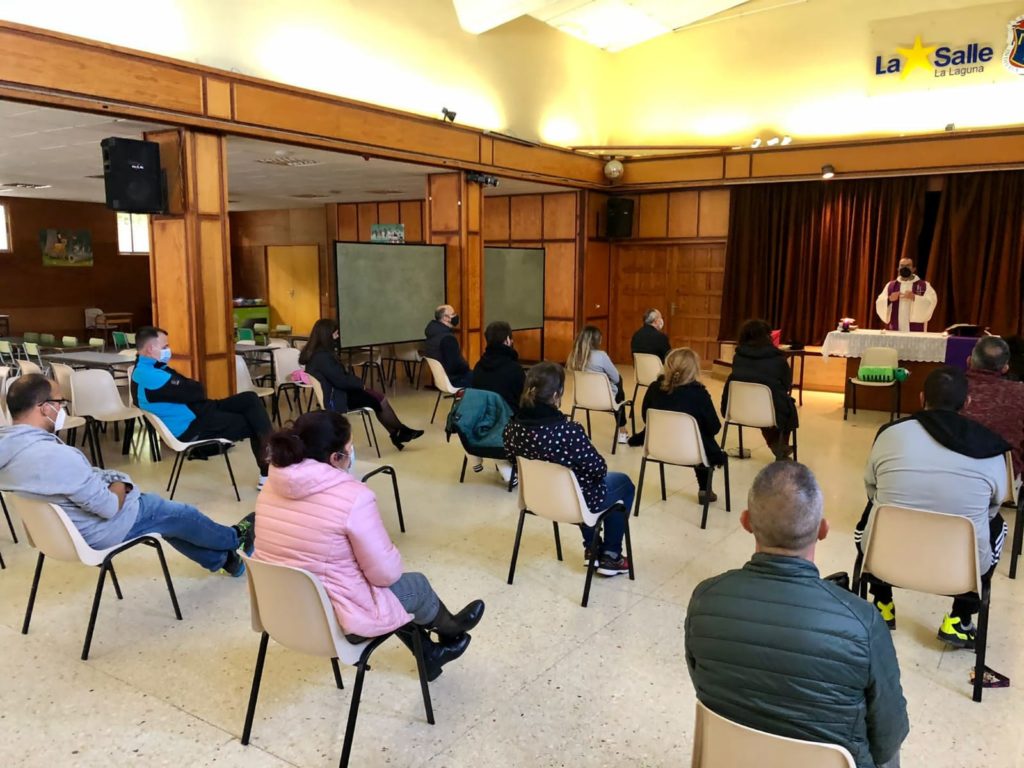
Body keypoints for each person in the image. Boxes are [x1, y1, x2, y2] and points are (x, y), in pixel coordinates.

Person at [686, 461, 908, 768]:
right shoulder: (863, 622)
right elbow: (888, 737)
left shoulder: (705, 599)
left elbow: (704, 687)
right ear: (823, 530)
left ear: (746, 522)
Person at [254, 410, 484, 681]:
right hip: (336, 624)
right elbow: (387, 575)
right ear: (336, 458)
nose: (352, 454)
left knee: (379, 594)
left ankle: (430, 655)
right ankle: (451, 629)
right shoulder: (353, 497)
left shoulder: (272, 485)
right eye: (350, 448)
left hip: (281, 612)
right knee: (414, 587)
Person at [0, 374, 254, 576]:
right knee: (176, 513)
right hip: (97, 531)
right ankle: (235, 538)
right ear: (45, 408)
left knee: (167, 520)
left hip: (55, 535)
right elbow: (109, 507)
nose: (62, 408)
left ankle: (225, 560)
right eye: (60, 403)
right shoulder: (55, 456)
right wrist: (120, 483)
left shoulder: (9, 450)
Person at [859, 366, 1008, 648]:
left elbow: (871, 486)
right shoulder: (990, 448)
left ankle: (881, 603)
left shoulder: (890, 434)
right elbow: (994, 505)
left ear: (921, 397)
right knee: (997, 526)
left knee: (873, 512)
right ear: (967, 403)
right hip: (959, 569)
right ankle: (960, 619)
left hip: (884, 558)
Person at [503, 362, 633, 575]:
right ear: (557, 394)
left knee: (579, 482)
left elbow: (512, 460)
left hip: (535, 499)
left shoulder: (512, 427)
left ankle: (592, 549)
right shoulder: (568, 431)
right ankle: (611, 555)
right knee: (623, 484)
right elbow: (599, 469)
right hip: (573, 502)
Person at [132, 326, 273, 488]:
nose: (168, 350)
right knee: (255, 422)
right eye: (165, 346)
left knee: (250, 398)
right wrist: (189, 387)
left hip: (200, 411)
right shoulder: (150, 376)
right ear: (151, 349)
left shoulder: (149, 368)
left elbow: (193, 390)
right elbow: (197, 391)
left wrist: (189, 387)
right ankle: (269, 474)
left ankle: (272, 468)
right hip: (193, 426)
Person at [300, 318, 422, 451]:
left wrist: (357, 383)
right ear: (327, 335)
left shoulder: (315, 354)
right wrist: (360, 384)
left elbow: (338, 377)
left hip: (336, 393)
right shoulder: (323, 357)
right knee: (378, 400)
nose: (337, 337)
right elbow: (341, 380)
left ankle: (399, 432)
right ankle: (399, 432)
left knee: (377, 397)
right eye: (336, 334)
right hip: (338, 398)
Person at [632, 348, 725, 504]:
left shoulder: (654, 388)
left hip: (658, 447)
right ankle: (705, 489)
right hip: (692, 453)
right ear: (694, 369)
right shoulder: (699, 394)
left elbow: (645, 417)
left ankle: (705, 488)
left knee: (700, 437)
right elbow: (714, 427)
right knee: (703, 439)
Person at [722, 319, 797, 458]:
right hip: (769, 412)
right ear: (768, 336)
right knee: (783, 404)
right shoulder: (778, 359)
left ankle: (777, 445)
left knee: (766, 402)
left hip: (739, 410)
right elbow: (786, 385)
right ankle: (779, 445)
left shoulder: (738, 357)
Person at [962, 336, 1024, 477]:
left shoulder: (951, 387)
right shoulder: (1020, 392)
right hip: (1003, 475)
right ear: (1005, 367)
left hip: (953, 470)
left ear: (969, 360)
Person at [566, 325, 629, 444]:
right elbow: (615, 378)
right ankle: (622, 430)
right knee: (619, 381)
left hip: (582, 399)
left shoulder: (574, 356)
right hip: (604, 399)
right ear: (597, 340)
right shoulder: (601, 356)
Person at [472, 321, 525, 412]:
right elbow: (523, 399)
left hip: (483, 414)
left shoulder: (478, 366)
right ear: (507, 340)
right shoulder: (515, 369)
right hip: (508, 416)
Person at [875, 257, 937, 332]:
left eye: (908, 266)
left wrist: (915, 298)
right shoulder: (890, 286)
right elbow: (879, 302)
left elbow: (931, 302)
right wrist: (889, 299)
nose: (904, 268)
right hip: (895, 328)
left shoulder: (924, 285)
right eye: (902, 265)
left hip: (915, 331)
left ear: (913, 269)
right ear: (898, 269)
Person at [423, 305, 471, 388]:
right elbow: (455, 366)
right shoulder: (447, 338)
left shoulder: (432, 334)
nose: (456, 316)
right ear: (445, 318)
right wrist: (467, 366)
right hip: (455, 379)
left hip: (442, 380)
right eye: (453, 314)